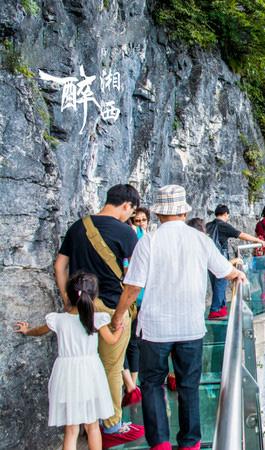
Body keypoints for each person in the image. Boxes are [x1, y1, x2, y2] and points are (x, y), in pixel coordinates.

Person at [112, 185, 247, 450]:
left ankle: (160, 443)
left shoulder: (148, 241)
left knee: (152, 385)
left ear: (159, 214)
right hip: (190, 328)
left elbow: (133, 287)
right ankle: (190, 443)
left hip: (154, 329)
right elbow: (223, 271)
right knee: (188, 385)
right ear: (184, 211)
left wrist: (118, 316)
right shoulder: (200, 239)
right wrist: (238, 275)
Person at [53, 184, 144, 447]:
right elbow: (133, 278)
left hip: (81, 308)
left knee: (84, 365)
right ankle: (112, 424)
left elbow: (60, 265)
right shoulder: (126, 232)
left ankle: (86, 422)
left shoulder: (78, 226)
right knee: (111, 368)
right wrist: (121, 314)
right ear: (126, 205)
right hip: (112, 309)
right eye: (131, 210)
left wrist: (68, 300)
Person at [15, 272, 123, 450]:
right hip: (90, 374)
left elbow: (39, 331)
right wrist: (119, 329)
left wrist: (27, 331)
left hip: (66, 375)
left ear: (69, 295)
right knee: (93, 425)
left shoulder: (58, 320)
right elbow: (111, 340)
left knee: (71, 429)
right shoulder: (95, 319)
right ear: (94, 297)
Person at [206, 204, 265, 320]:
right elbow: (241, 235)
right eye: (228, 215)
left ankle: (221, 308)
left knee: (216, 283)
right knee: (220, 282)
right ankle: (215, 310)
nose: (228, 217)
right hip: (220, 257)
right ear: (225, 214)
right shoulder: (223, 225)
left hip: (208, 257)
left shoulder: (208, 225)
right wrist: (257, 240)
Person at [122, 206, 151, 407]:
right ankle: (131, 384)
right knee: (128, 340)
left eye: (142, 220)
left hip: (146, 298)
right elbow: (126, 269)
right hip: (132, 298)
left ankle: (133, 382)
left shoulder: (150, 240)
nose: (140, 223)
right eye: (136, 220)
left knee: (136, 341)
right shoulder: (130, 240)